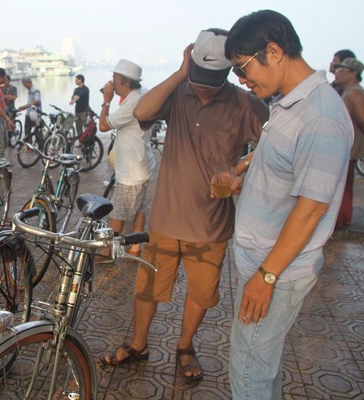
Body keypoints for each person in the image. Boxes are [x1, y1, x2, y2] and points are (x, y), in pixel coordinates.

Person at [100, 29, 269, 384]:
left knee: (201, 292)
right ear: (190, 63)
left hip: (211, 225)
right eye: (199, 76)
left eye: (214, 78)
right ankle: (138, 343)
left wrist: (239, 168)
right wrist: (180, 74)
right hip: (165, 218)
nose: (205, 85)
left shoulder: (244, 104)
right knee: (146, 288)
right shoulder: (178, 91)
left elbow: (278, 142)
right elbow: (141, 111)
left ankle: (185, 346)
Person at [224, 10, 353, 399]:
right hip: (263, 259)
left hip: (276, 269)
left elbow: (311, 209)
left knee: (249, 371)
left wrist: (266, 277)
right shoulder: (290, 102)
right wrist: (245, 168)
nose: (244, 83)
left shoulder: (321, 117)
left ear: (274, 51)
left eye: (243, 70)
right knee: (262, 362)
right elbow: (279, 155)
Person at [96, 59, 155, 258]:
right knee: (139, 208)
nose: (111, 84)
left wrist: (106, 99)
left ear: (127, 82)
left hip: (131, 171)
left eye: (115, 80)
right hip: (142, 164)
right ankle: (136, 246)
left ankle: (106, 252)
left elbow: (103, 126)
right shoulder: (143, 93)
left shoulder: (132, 102)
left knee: (118, 213)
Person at [331, 56, 363, 230]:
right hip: (344, 150)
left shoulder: (354, 93)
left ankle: (340, 221)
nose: (337, 72)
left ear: (353, 73)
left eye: (341, 69)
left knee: (342, 188)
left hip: (346, 150)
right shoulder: (350, 92)